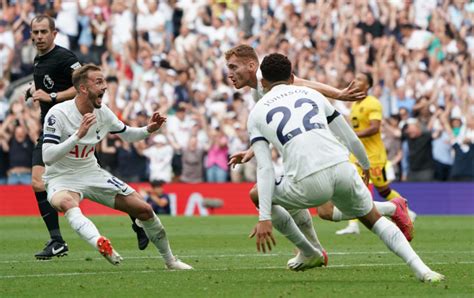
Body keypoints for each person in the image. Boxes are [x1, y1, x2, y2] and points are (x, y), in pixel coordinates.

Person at [247, 53, 443, 282]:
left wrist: (264, 218)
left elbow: (266, 170)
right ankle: (424, 271)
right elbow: (350, 137)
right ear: (292, 77)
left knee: (257, 193)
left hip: (307, 180)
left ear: (263, 82)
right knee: (373, 221)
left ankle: (310, 252)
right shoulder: (312, 94)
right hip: (342, 167)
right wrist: (365, 165)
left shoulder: (256, 112)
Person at [41, 64, 191, 269]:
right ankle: (101, 244)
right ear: (83, 88)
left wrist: (149, 129)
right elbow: (47, 156)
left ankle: (170, 261)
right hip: (60, 177)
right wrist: (78, 135)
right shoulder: (58, 114)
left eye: (104, 81)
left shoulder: (103, 112)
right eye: (99, 82)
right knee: (67, 203)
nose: (105, 87)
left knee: (144, 210)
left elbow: (127, 133)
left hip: (91, 172)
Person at [28, 15, 148, 259]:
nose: (39, 36)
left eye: (43, 32)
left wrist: (52, 97)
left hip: (74, 124)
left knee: (43, 180)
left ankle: (59, 239)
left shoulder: (65, 58)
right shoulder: (39, 60)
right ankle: (58, 239)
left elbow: (79, 86)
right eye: (36, 32)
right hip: (54, 128)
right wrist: (33, 90)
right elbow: (49, 84)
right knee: (41, 181)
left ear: (54, 33)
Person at [225, 44, 365, 253]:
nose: (230, 74)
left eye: (233, 67)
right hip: (308, 146)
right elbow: (272, 129)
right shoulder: (257, 94)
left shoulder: (268, 77)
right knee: (324, 211)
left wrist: (339, 94)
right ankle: (314, 250)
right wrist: (250, 151)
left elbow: (302, 82)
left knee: (325, 210)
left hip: (320, 141)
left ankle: (390, 208)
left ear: (252, 66)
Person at [335, 73, 416, 236]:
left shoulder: (373, 103)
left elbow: (375, 127)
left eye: (360, 80)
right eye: (355, 78)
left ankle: (407, 210)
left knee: (383, 190)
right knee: (353, 185)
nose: (355, 81)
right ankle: (353, 225)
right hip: (357, 154)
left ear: (368, 86)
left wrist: (353, 135)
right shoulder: (355, 104)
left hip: (374, 155)